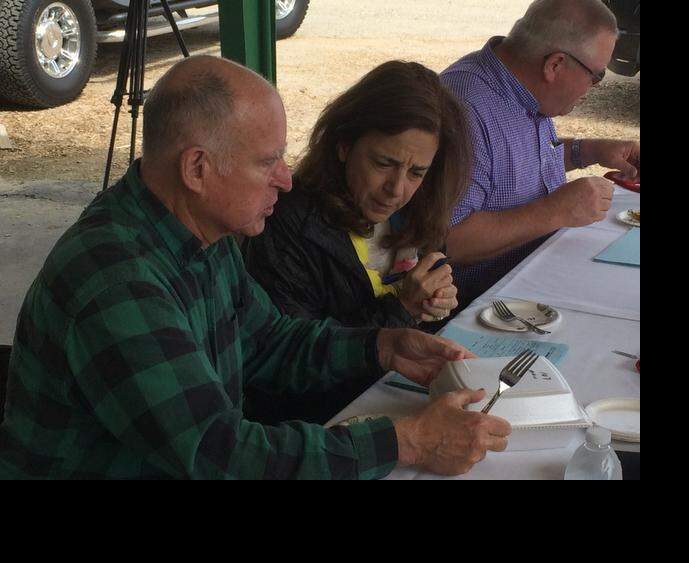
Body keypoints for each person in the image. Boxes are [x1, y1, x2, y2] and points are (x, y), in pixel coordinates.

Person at [0, 56, 509, 480]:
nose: (286, 180)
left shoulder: (203, 232)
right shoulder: (116, 280)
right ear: (197, 168)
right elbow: (218, 453)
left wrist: (381, 345)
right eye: (267, 162)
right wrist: (407, 443)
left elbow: (267, 340)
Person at [242, 60, 471, 424]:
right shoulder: (287, 225)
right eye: (383, 163)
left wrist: (435, 300)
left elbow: (424, 292)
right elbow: (289, 365)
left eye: (416, 172)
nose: (396, 189)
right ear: (344, 145)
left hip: (396, 394)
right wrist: (402, 309)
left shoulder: (419, 209)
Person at [441, 0, 641, 310]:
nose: (594, 87)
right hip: (481, 308)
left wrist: (588, 150)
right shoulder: (465, 109)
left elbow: (508, 167)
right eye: (596, 76)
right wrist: (556, 211)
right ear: (555, 65)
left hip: (531, 278)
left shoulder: (520, 84)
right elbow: (448, 242)